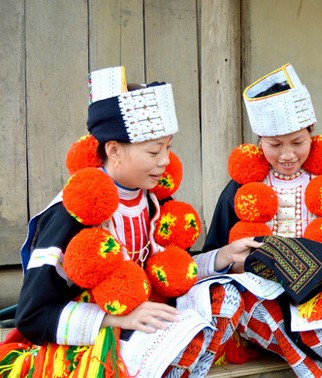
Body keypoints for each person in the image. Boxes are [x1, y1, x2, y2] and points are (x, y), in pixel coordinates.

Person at [187, 63, 322, 377]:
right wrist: (240, 262)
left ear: (312, 131)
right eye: (275, 144)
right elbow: (215, 251)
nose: (287, 155)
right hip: (259, 297)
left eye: (298, 142)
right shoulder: (240, 189)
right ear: (259, 140)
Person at [5, 66, 214, 377]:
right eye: (154, 151)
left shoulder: (154, 200)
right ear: (114, 150)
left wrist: (221, 259)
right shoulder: (71, 213)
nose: (166, 161)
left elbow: (164, 267)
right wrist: (115, 319)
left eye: (169, 148)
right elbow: (33, 315)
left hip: (151, 322)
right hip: (96, 338)